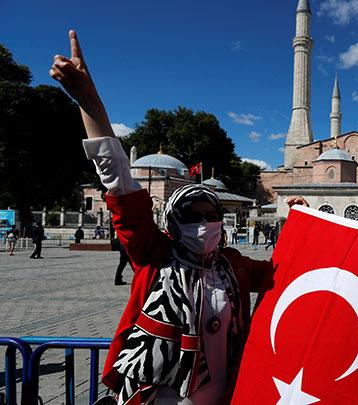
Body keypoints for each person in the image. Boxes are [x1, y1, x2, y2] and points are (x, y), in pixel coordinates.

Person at [50, 30, 309, 404]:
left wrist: (301, 222)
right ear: (173, 221)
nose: (205, 224)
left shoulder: (233, 267)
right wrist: (88, 101)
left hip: (225, 393)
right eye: (193, 215)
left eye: (211, 215)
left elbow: (287, 272)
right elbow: (119, 180)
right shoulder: (154, 254)